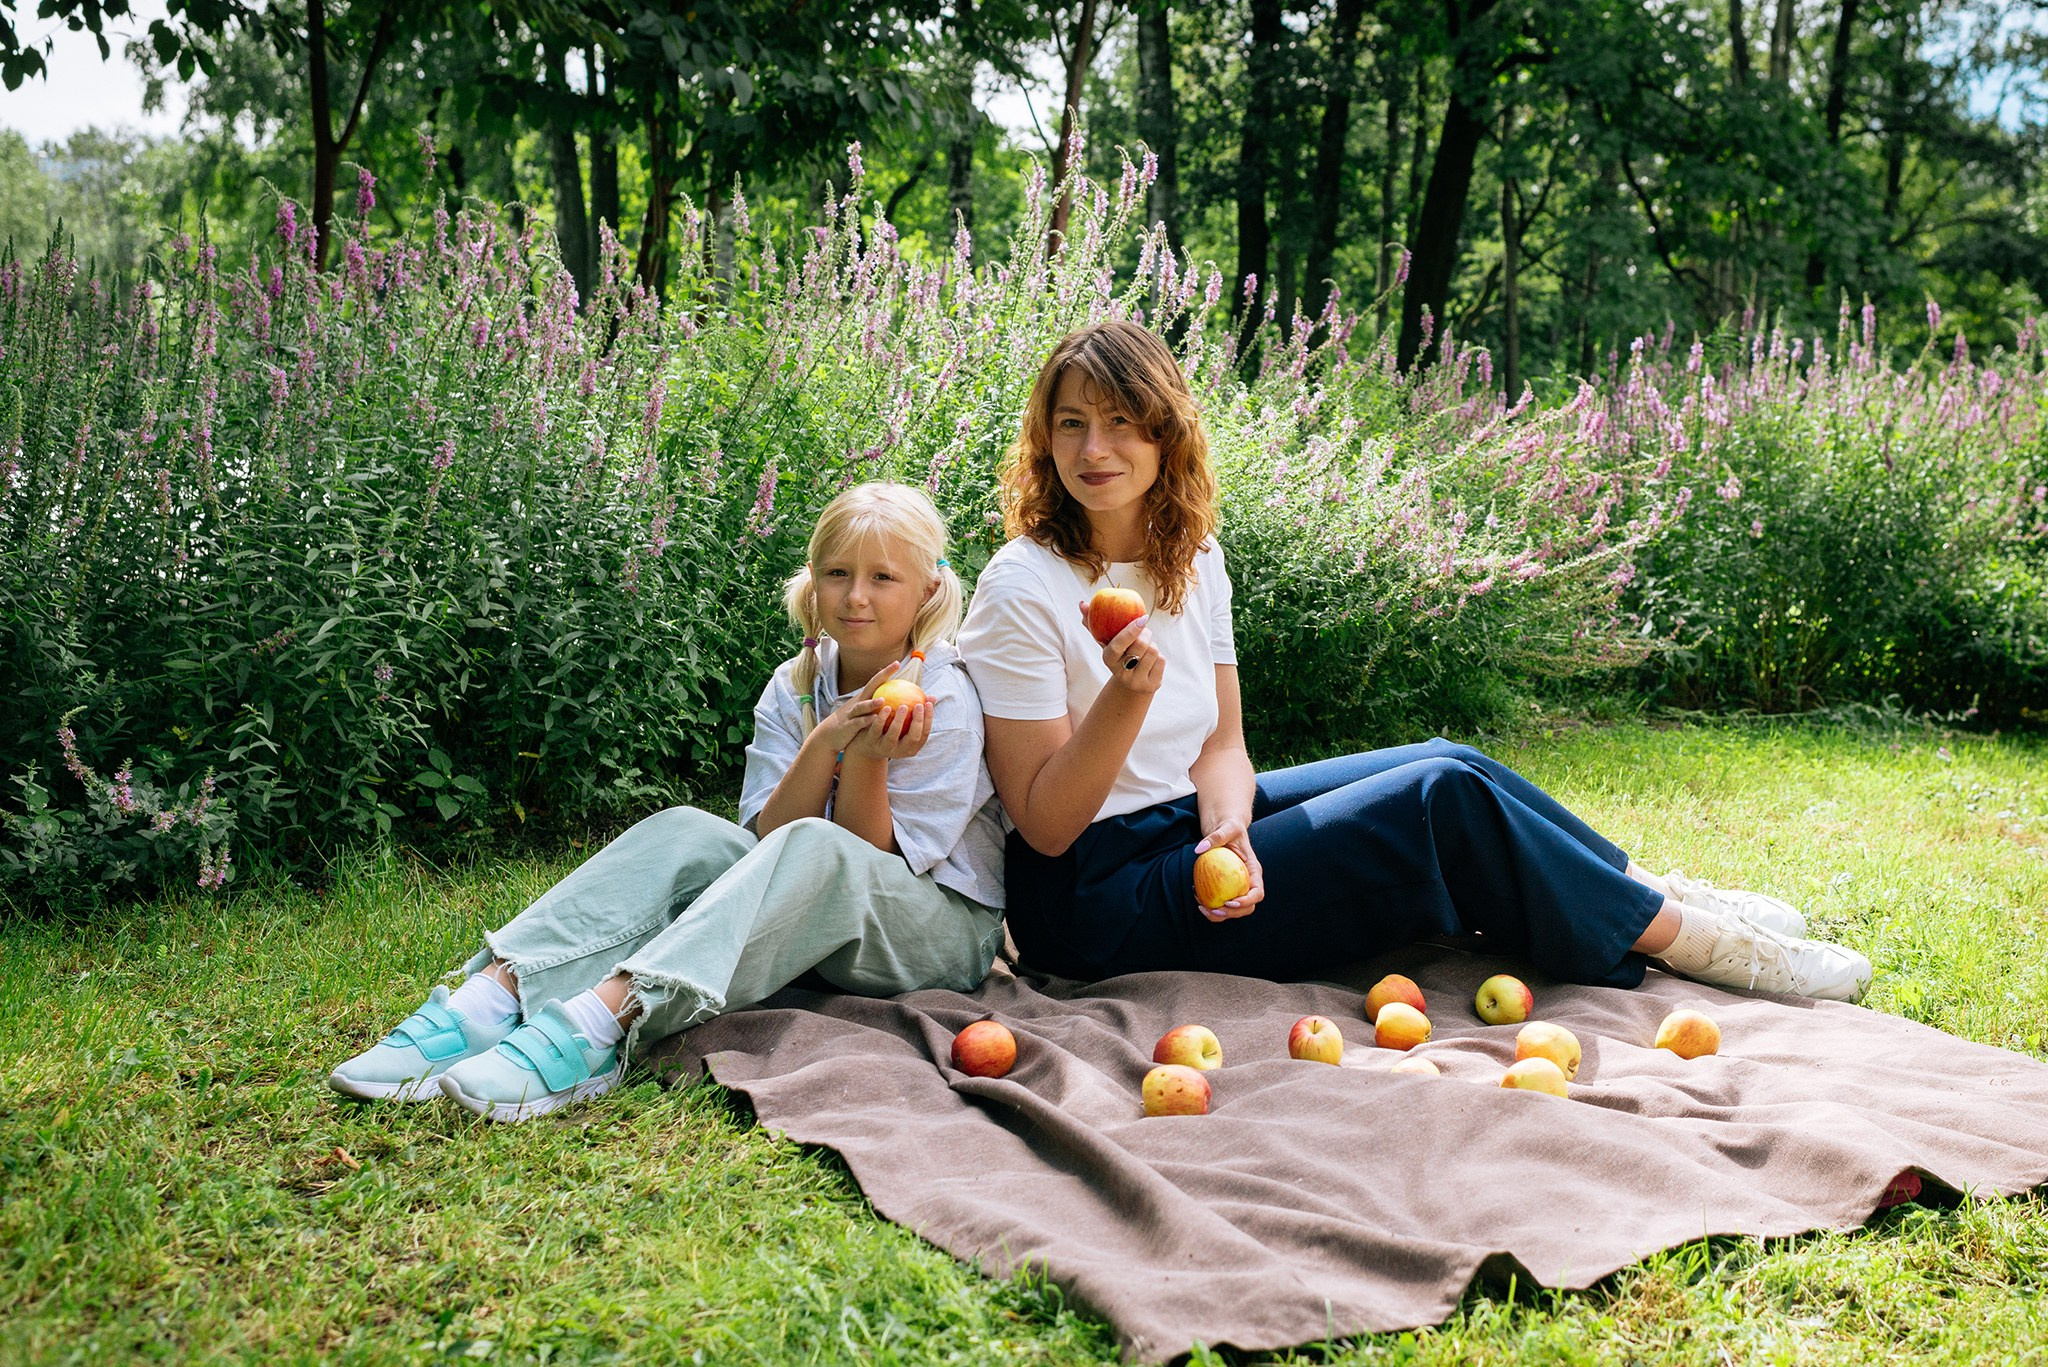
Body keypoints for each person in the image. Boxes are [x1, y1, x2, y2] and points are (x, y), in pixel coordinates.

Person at [956, 320, 1872, 1001]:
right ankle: (1705, 945)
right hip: (1092, 902)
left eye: (1120, 420)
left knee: (1449, 759)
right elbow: (1043, 826)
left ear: (1165, 433)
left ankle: (1641, 887)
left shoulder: (1194, 557)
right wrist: (1125, 699)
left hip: (1186, 833)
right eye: (1070, 424)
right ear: (1046, 439)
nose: (1094, 449)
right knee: (1438, 803)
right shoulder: (1022, 586)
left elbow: (1222, 744)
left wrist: (1230, 830)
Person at [328, 483, 1008, 1121]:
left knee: (821, 848)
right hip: (811, 905)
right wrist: (827, 739)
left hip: (938, 930)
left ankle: (599, 1027)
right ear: (813, 578)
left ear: (927, 588)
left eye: (882, 577)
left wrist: (863, 759)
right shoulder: (796, 684)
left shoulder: (943, 696)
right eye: (837, 572)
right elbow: (767, 838)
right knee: (690, 829)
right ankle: (490, 998)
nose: (856, 595)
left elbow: (864, 862)